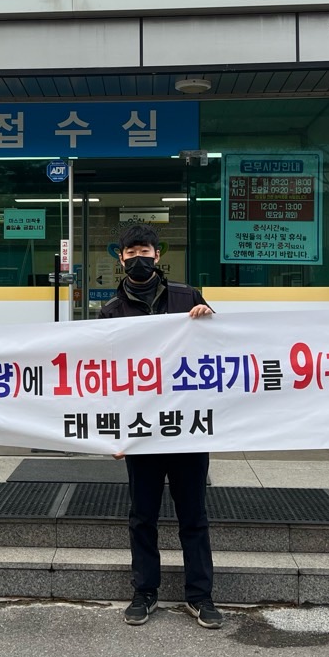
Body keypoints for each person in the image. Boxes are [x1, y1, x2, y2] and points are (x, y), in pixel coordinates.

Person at [98, 223, 223, 630]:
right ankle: (144, 592)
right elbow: (103, 378)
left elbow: (221, 351)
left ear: (158, 255)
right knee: (142, 516)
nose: (139, 258)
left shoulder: (188, 298)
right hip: (141, 431)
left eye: (145, 251)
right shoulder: (110, 312)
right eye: (131, 252)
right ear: (121, 259)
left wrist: (210, 319)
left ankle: (200, 596)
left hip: (186, 427)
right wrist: (112, 434)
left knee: (194, 515)